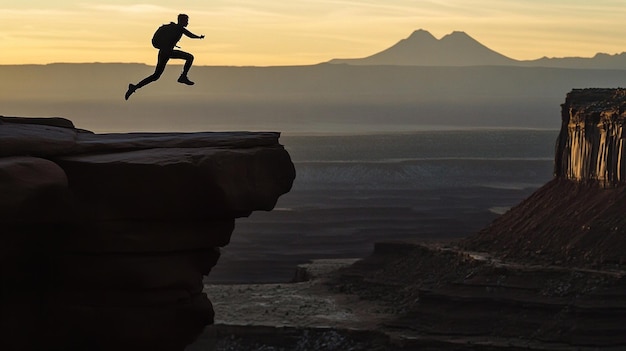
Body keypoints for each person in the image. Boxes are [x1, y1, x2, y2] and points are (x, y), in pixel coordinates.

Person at [125, 14, 204, 100]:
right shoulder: (179, 29)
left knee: (155, 76)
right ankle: (183, 77)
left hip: (163, 52)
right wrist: (199, 37)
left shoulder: (172, 27)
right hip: (168, 52)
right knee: (190, 57)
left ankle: (134, 87)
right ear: (181, 21)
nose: (187, 23)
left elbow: (188, 34)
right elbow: (190, 35)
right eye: (186, 21)